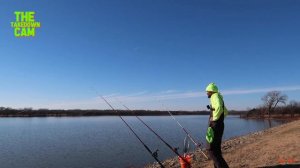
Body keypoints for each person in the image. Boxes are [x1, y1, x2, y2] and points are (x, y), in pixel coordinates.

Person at [205, 83, 229, 168]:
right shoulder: (219, 97)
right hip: (219, 125)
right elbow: (225, 112)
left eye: (207, 91)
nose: (206, 93)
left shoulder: (214, 96)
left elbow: (219, 107)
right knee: (217, 150)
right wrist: (219, 120)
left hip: (215, 126)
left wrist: (214, 118)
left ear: (211, 91)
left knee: (211, 149)